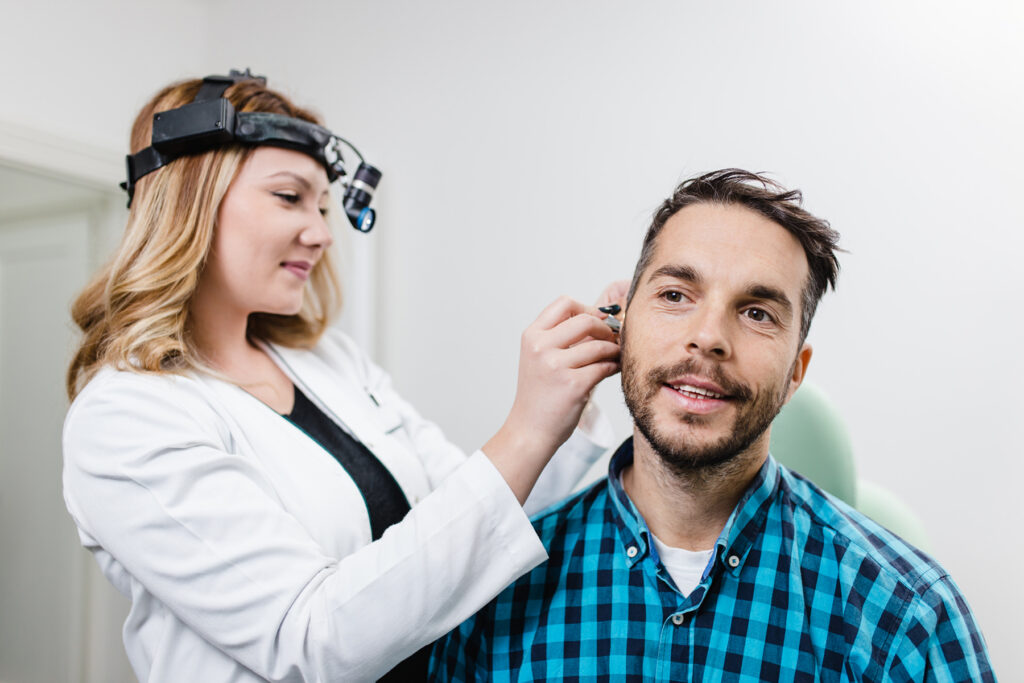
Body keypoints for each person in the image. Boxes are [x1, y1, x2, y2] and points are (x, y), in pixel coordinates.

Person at [61, 70, 623, 682]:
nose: (323, 233)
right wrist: (525, 428)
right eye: (289, 197)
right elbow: (311, 639)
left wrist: (570, 389)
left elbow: (472, 523)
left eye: (324, 206)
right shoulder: (126, 417)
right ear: (191, 200)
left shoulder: (331, 363)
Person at [431, 169, 996, 682]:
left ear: (795, 374)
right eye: (676, 295)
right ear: (619, 330)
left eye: (757, 313)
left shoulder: (908, 618)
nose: (708, 337)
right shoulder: (496, 596)